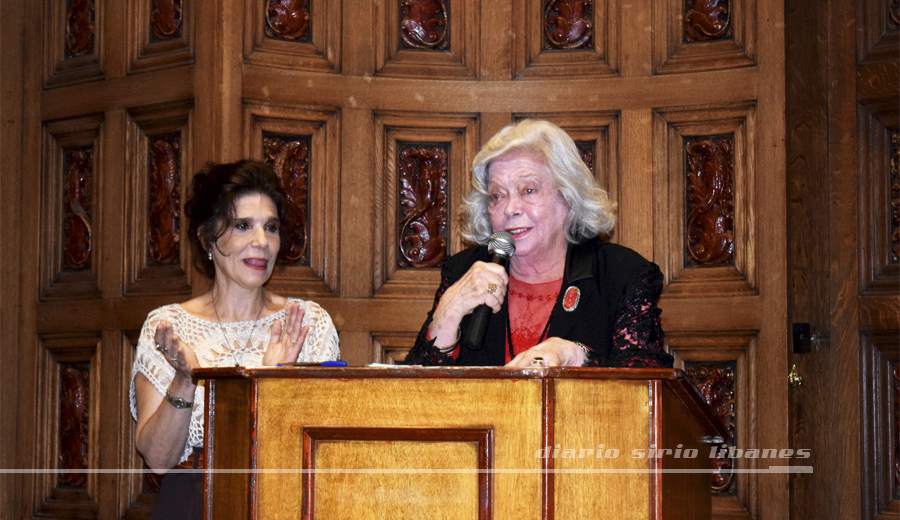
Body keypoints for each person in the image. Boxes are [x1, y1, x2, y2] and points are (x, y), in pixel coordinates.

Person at [129, 160, 340, 519]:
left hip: (279, 503)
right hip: (190, 504)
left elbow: (323, 453)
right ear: (207, 238)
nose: (262, 243)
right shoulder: (167, 327)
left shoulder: (307, 324)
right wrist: (185, 379)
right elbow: (159, 460)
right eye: (243, 225)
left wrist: (272, 384)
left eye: (271, 227)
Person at [404, 120, 672, 368]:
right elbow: (410, 394)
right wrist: (446, 317)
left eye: (528, 190)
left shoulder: (621, 275)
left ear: (568, 197)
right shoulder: (463, 272)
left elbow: (647, 383)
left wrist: (574, 355)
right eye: (497, 196)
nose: (510, 208)